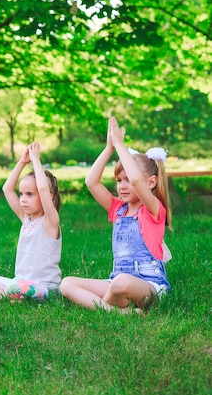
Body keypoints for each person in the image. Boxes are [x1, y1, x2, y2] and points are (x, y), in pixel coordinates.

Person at [60, 117, 172, 314]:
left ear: (151, 182)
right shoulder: (118, 208)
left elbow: (138, 181)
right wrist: (109, 148)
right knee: (67, 284)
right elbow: (91, 182)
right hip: (116, 281)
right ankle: (118, 311)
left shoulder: (154, 209)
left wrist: (121, 145)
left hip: (150, 285)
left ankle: (105, 304)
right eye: (119, 180)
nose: (122, 185)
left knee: (121, 283)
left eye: (127, 180)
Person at [0, 142, 62, 302]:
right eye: (21, 194)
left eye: (29, 194)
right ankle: (12, 297)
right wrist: (22, 162)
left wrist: (36, 160)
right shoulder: (26, 219)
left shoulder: (50, 221)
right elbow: (7, 189)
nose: (23, 199)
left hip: (44, 288)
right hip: (19, 283)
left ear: (48, 197)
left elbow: (43, 188)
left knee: (17, 287)